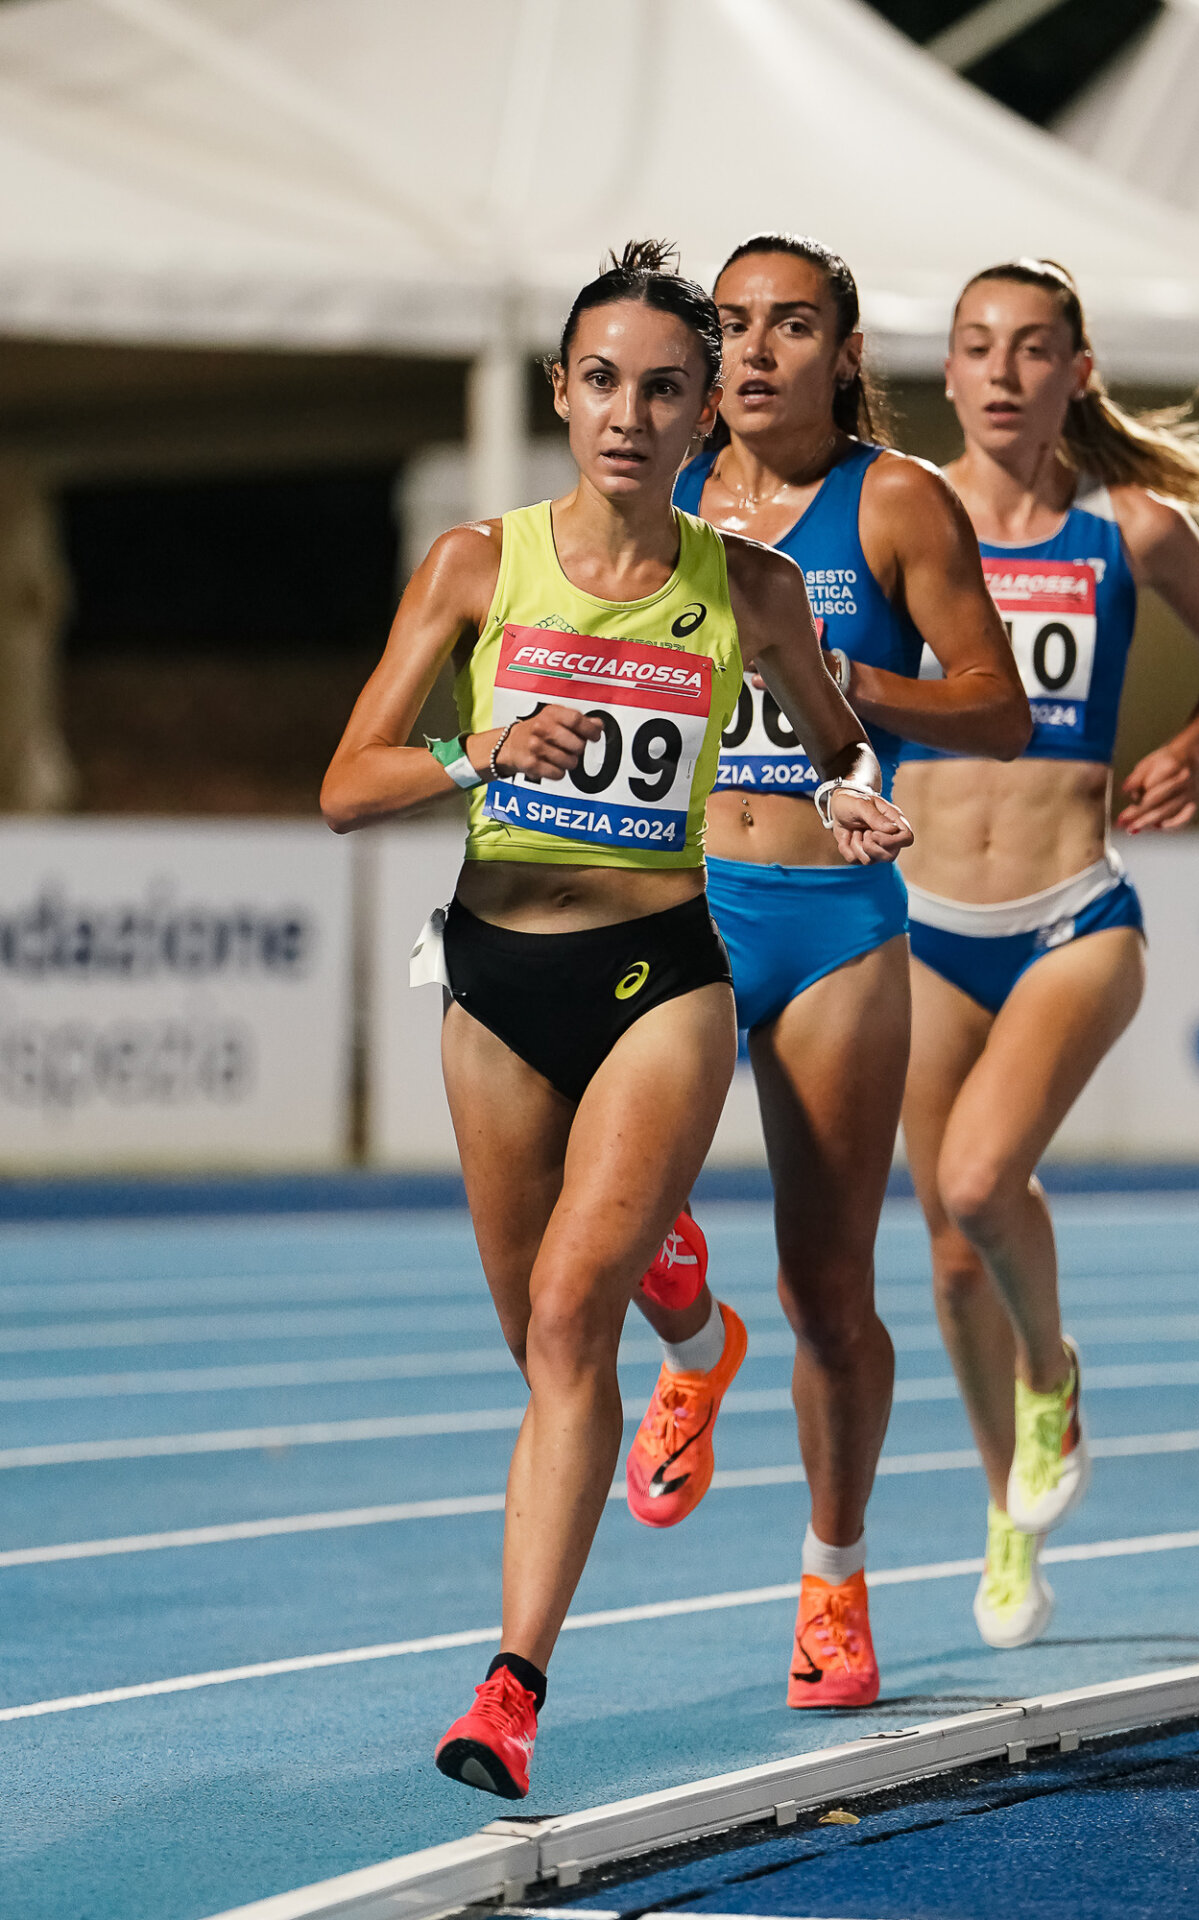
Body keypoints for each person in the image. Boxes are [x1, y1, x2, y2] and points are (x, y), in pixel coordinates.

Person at [320, 241, 912, 1800]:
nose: (631, 416)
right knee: (539, 1343)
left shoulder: (755, 590)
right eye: (603, 383)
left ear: (707, 405)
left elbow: (846, 745)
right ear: (560, 394)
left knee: (572, 1320)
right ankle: (698, 1321)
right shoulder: (474, 565)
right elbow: (342, 789)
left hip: (662, 977)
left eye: (667, 387)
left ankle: (511, 1690)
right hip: (494, 988)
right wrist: (482, 748)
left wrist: (854, 805)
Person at [621, 233, 1029, 1710]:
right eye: (730, 326)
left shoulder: (898, 504)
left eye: (792, 326)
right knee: (604, 1197)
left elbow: (997, 708)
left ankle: (834, 1579)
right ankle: (686, 1328)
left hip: (834, 913)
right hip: (678, 896)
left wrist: (853, 688)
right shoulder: (654, 487)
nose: (754, 352)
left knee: (829, 1292)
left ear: (845, 355)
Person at [896, 258, 1199, 1649]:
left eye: (1031, 349)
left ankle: (1051, 1373)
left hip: (1070, 918)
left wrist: (1189, 745)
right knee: (940, 1256)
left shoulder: (1134, 528)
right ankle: (1006, 1511)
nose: (1002, 373)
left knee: (986, 1183)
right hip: (923, 926)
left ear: (1077, 373)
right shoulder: (894, 519)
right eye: (977, 348)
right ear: (947, 372)